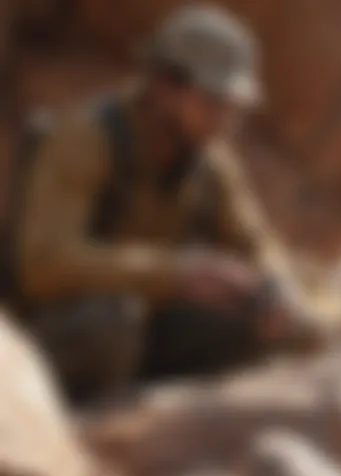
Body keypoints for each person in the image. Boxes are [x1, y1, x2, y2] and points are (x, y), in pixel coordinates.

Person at [8, 5, 319, 403]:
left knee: (264, 326)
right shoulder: (85, 138)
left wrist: (276, 291)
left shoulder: (209, 162)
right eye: (211, 101)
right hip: (60, 332)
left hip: (144, 337)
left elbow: (254, 241)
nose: (223, 120)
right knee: (111, 321)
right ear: (163, 84)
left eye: (231, 107)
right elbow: (42, 265)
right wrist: (174, 273)